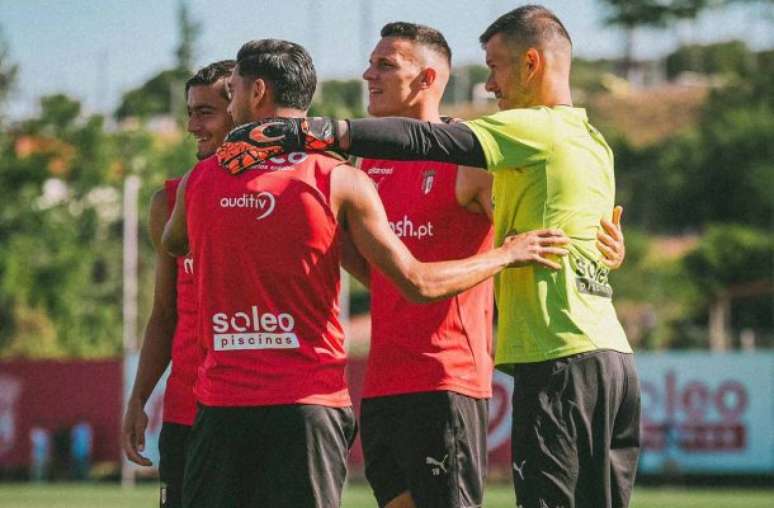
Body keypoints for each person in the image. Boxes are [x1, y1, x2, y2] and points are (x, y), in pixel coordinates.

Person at [221, 5, 640, 508]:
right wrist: (612, 252)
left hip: (479, 372)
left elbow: (428, 140)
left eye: (495, 67)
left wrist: (305, 131)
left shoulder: (514, 139)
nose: (489, 85)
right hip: (396, 379)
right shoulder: (586, 142)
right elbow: (584, 233)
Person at [163, 38, 570, 508]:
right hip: (314, 404)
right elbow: (408, 280)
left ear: (256, 93)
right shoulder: (344, 176)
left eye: (231, 92)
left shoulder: (203, 180)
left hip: (230, 408)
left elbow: (175, 243)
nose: (228, 107)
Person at [352, 22, 625, 508]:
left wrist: (593, 246)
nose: (368, 74)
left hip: (448, 380)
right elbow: (380, 269)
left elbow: (538, 235)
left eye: (384, 65)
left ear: (428, 79)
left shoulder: (477, 159)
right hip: (381, 384)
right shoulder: (366, 169)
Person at [121, 60, 235, 508]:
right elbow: (164, 315)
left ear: (241, 108)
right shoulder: (168, 201)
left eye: (205, 112)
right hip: (185, 414)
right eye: (189, 112)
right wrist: (138, 399)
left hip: (255, 412)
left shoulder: (281, 194)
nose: (192, 126)